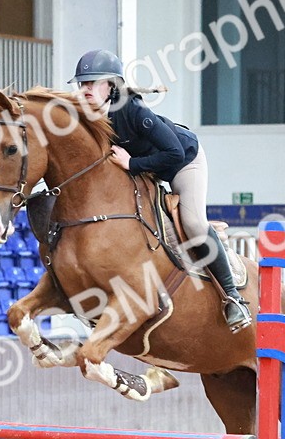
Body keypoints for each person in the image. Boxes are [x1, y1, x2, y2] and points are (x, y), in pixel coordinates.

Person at [68, 49, 251, 331]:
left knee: (193, 223)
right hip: (145, 170)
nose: (86, 89)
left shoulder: (132, 110)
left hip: (182, 162)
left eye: (92, 82)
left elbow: (174, 153)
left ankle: (233, 297)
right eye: (82, 83)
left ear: (112, 86)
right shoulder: (85, 116)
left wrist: (132, 163)